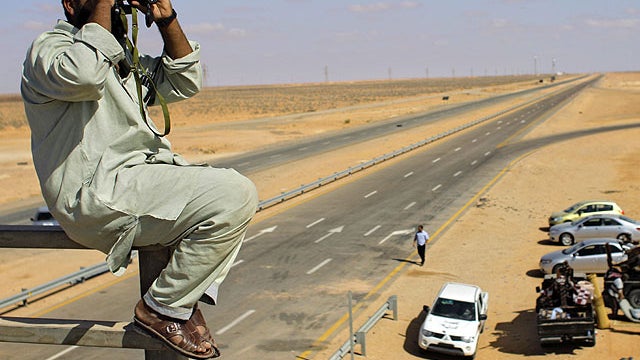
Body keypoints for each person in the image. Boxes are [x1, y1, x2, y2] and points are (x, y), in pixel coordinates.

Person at [21, 1, 258, 358]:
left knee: (224, 196)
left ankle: (176, 304)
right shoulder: (51, 50)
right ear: (71, 4)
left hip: (133, 184)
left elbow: (185, 80)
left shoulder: (122, 61)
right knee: (233, 194)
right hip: (94, 193)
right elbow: (85, 74)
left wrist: (168, 21)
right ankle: (163, 307)